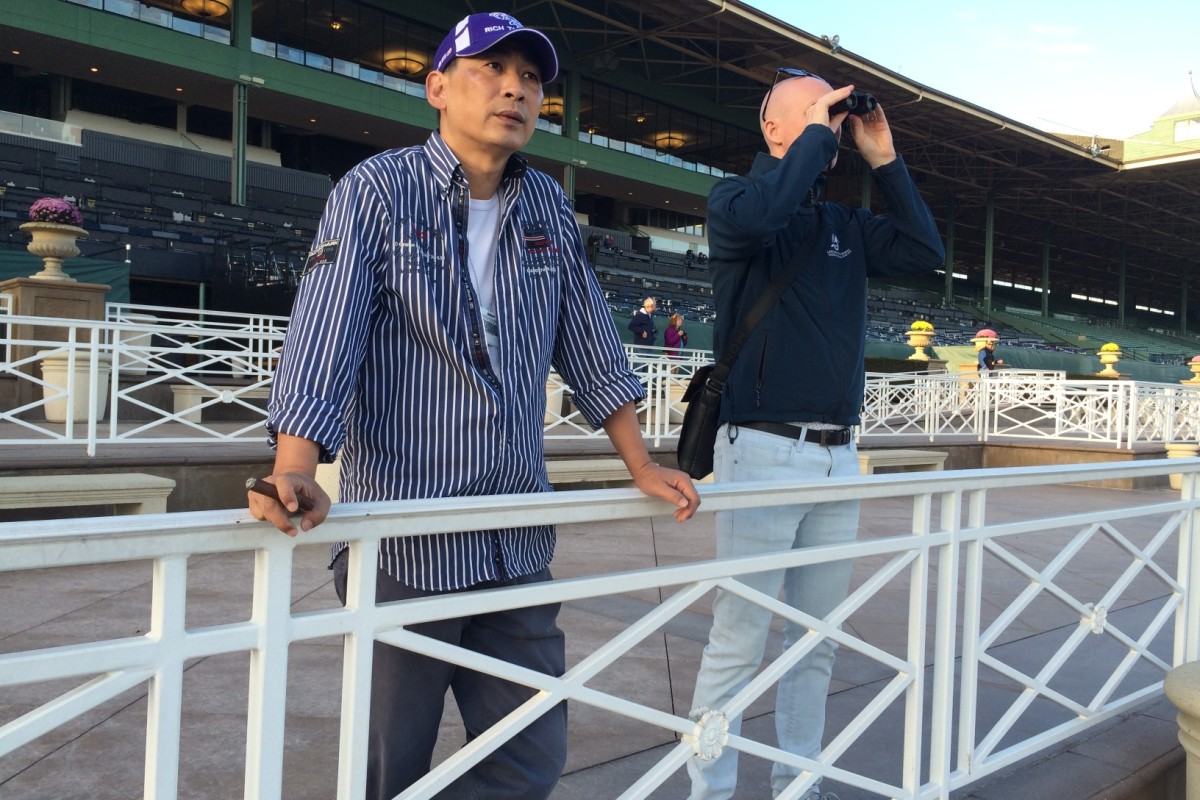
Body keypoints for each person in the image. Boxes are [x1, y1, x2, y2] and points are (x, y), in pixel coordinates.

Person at [248, 12, 700, 800]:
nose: (515, 89)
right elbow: (327, 331)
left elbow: (589, 337)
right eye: (492, 70)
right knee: (387, 768)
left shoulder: (548, 210)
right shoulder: (376, 191)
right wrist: (297, 468)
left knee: (530, 759)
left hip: (515, 543)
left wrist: (640, 462)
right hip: (408, 546)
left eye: (530, 79)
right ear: (437, 88)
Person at [687, 68, 944, 800]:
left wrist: (884, 158)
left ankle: (800, 785)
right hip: (762, 448)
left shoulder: (843, 228)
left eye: (835, 116)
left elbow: (925, 252)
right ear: (775, 131)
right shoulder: (734, 204)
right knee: (740, 640)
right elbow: (762, 214)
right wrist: (810, 138)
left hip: (838, 455)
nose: (831, 128)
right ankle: (712, 791)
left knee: (817, 642)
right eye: (815, 115)